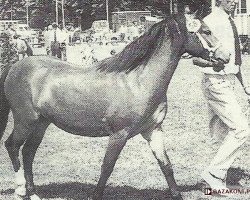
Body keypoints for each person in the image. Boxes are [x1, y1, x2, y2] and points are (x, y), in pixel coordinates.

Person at [193, 0, 250, 194]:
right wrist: (212, 65)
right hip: (215, 82)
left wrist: (245, 87)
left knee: (223, 135)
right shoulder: (209, 22)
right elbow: (196, 58)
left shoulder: (229, 20)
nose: (234, 1)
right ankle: (213, 176)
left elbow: (236, 61)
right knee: (241, 129)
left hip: (229, 82)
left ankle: (213, 181)